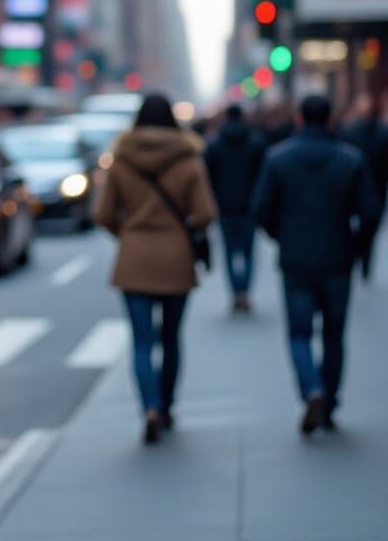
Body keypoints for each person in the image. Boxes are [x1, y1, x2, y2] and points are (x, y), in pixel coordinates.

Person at [94, 93, 217, 444]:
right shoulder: (188, 158)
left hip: (134, 258)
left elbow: (102, 215)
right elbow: (207, 213)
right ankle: (166, 406)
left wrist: (128, 234)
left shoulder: (121, 159)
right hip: (176, 258)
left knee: (142, 342)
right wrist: (183, 231)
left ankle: (148, 408)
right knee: (171, 339)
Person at [252, 95, 380, 435]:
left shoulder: (278, 158)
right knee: (334, 335)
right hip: (338, 257)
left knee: (299, 333)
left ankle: (312, 389)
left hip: (296, 260)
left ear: (298, 117)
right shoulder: (350, 159)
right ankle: (330, 400)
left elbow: (261, 208)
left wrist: (281, 236)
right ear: (331, 119)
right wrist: (356, 246)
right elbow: (370, 212)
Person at [205, 104, 265, 312]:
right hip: (249, 206)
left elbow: (209, 177)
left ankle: (235, 292)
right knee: (248, 252)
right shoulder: (255, 143)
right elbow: (262, 176)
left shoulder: (214, 145)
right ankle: (244, 291)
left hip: (225, 207)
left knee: (230, 252)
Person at [339, 93, 388, 280]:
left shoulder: (349, 131)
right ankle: (364, 257)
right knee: (370, 224)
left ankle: (359, 255)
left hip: (362, 185)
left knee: (363, 224)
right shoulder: (379, 132)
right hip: (375, 186)